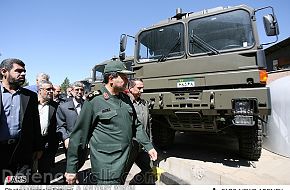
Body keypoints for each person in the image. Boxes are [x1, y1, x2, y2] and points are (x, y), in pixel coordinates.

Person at [65, 60, 157, 185]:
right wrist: (71, 168)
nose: (127, 80)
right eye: (123, 76)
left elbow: (136, 125)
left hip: (125, 161)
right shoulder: (94, 101)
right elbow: (78, 136)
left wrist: (148, 146)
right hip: (106, 164)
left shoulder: (125, 99)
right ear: (111, 78)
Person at [0, 58, 43, 184]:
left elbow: (35, 123)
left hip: (22, 152)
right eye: (18, 71)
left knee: (19, 184)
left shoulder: (30, 96)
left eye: (24, 71)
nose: (23, 74)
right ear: (4, 71)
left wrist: (38, 146)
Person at [128, 78, 155, 185]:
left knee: (148, 171)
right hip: (130, 146)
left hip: (143, 146)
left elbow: (148, 126)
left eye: (142, 88)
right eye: (139, 88)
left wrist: (150, 144)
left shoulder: (144, 104)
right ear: (130, 88)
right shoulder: (125, 104)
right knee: (120, 175)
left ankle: (133, 184)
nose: (142, 91)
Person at [36, 80, 59, 184]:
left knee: (45, 173)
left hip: (46, 143)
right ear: (40, 90)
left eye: (52, 89)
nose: (51, 91)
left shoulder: (55, 106)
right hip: (30, 143)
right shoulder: (30, 103)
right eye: (48, 89)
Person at [56, 81, 85, 151]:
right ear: (71, 91)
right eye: (77, 90)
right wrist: (65, 138)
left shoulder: (87, 105)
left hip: (84, 142)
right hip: (70, 142)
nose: (79, 92)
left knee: (82, 161)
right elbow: (60, 126)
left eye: (81, 90)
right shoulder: (63, 107)